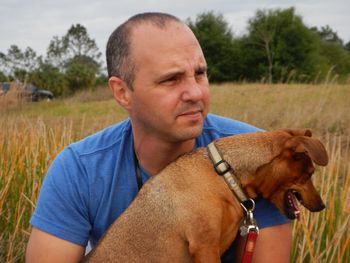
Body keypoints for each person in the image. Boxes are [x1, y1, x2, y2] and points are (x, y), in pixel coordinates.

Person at [26, 12, 292, 262]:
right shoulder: (79, 168)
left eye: (200, 74)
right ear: (122, 92)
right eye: (171, 79)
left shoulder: (258, 155)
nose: (195, 93)